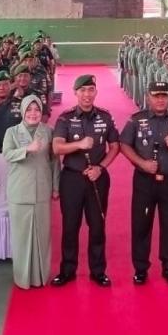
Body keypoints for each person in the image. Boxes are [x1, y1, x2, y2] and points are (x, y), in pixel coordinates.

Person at [119, 80, 168, 285]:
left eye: (164, 96)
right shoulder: (137, 119)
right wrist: (141, 163)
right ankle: (141, 268)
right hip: (144, 181)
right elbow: (124, 144)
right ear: (148, 97)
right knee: (141, 225)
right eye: (156, 96)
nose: (160, 100)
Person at [51, 74, 120, 287]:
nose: (87, 95)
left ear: (96, 92)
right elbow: (57, 147)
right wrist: (78, 145)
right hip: (72, 178)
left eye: (91, 90)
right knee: (70, 227)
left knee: (97, 226)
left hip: (97, 178)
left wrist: (100, 168)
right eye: (83, 90)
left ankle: (98, 270)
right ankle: (67, 270)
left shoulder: (105, 117)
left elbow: (115, 146)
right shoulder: (65, 118)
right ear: (75, 93)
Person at [2, 94, 57, 289]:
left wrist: (56, 187)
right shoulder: (12, 132)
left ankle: (41, 276)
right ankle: (22, 278)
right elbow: (7, 154)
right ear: (23, 111)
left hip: (42, 189)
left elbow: (54, 161)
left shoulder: (48, 132)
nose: (33, 113)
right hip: (20, 190)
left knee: (42, 236)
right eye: (29, 110)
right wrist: (27, 149)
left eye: (37, 110)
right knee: (21, 237)